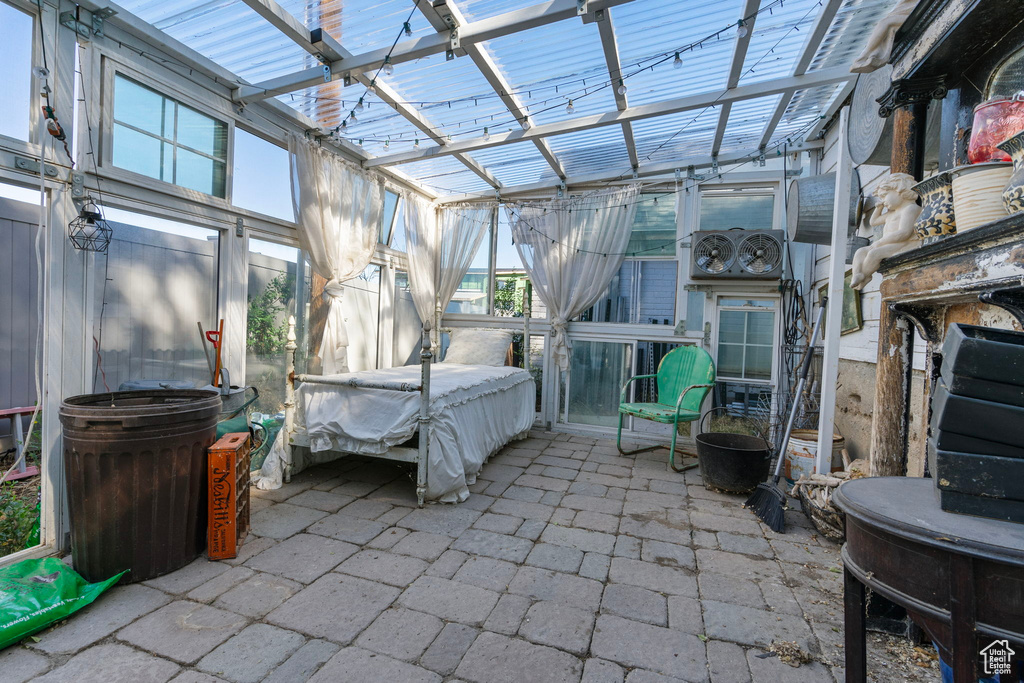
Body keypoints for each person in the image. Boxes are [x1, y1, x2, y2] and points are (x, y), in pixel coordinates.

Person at [850, 173, 921, 290]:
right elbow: (874, 222)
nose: (882, 201)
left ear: (900, 190)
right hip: (890, 244)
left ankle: (865, 275)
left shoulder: (910, 209)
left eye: (884, 196)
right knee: (860, 251)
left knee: (874, 253)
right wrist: (879, 209)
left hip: (905, 244)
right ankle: (858, 274)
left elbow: (904, 233)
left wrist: (880, 242)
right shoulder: (892, 213)